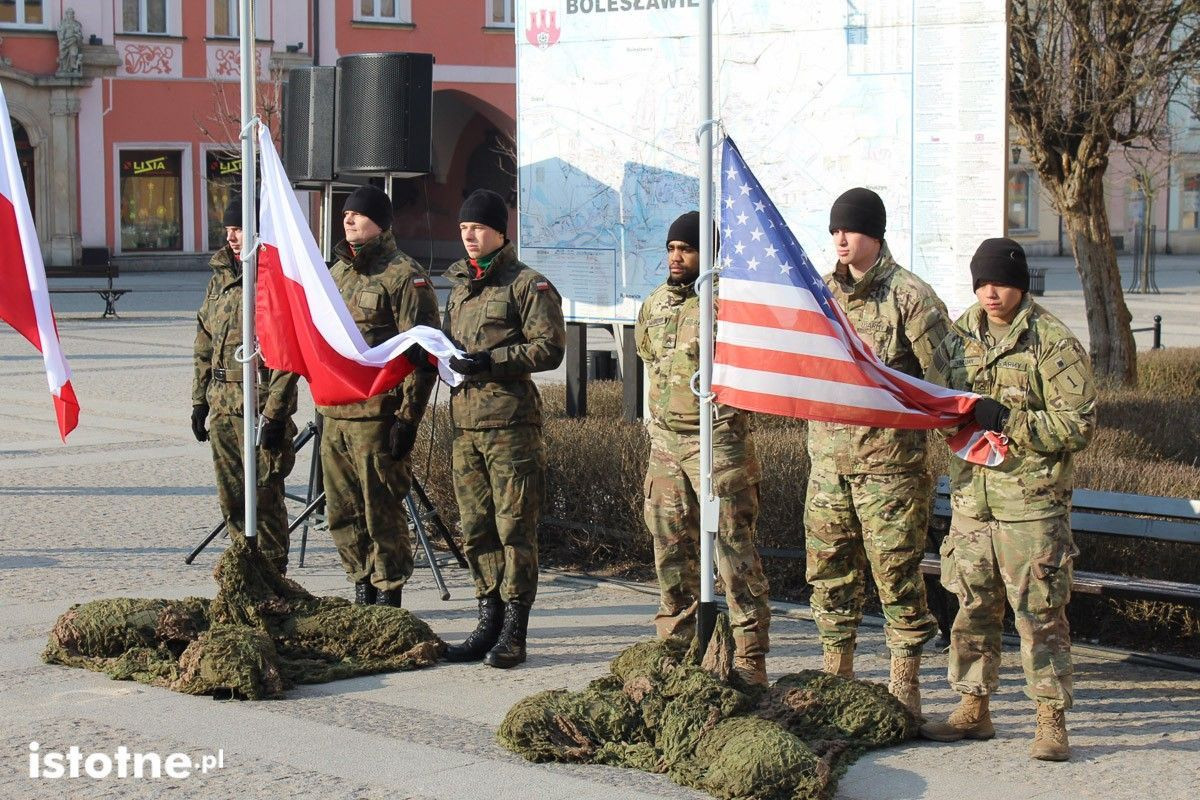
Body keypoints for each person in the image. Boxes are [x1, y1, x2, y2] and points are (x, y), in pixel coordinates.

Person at [921, 237, 1096, 762]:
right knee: (972, 606)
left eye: (1000, 282)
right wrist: (948, 420)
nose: (990, 292)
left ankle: (1050, 720)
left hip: (1031, 506)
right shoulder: (959, 336)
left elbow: (1079, 425)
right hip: (972, 501)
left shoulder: (1051, 341)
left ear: (1020, 284)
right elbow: (937, 398)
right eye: (982, 282)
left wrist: (1008, 419)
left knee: (1039, 615)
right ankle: (973, 707)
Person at [805, 188, 950, 715]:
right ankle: (836, 676)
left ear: (875, 233)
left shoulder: (910, 297)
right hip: (828, 466)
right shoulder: (821, 295)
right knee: (829, 574)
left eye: (850, 229)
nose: (841, 239)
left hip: (890, 472)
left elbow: (946, 378)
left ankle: (904, 686)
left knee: (896, 576)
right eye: (835, 230)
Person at [635, 210, 771, 686]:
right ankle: (677, 645)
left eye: (687, 249)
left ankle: (750, 656)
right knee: (670, 549)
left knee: (734, 554)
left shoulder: (728, 307)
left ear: (707, 254)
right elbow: (649, 357)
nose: (676, 257)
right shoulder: (655, 304)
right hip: (666, 445)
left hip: (719, 444)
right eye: (672, 249)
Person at [442, 188, 565, 668]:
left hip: (511, 426)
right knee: (476, 528)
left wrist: (490, 361)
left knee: (514, 527)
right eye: (463, 228)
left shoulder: (528, 285)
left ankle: (515, 629)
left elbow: (548, 348)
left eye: (478, 228)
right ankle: (487, 620)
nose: (469, 236)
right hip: (466, 426)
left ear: (499, 231)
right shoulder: (460, 286)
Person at [319, 184, 439, 607]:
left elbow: (423, 354)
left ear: (382, 222)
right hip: (336, 414)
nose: (348, 219)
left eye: (359, 213)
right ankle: (361, 589)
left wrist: (408, 419)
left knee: (380, 512)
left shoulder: (404, 275)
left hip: (378, 417)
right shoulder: (335, 273)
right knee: (343, 513)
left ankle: (388, 599)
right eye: (345, 213)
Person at [192, 196, 299, 573]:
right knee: (232, 499)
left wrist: (275, 414)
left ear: (257, 231)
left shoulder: (273, 278)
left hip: (259, 407)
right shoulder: (220, 278)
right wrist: (199, 400)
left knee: (264, 499)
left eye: (238, 229)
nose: (231, 237)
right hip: (223, 406)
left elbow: (288, 354)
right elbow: (204, 340)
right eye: (228, 229)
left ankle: (273, 578)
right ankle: (246, 574)